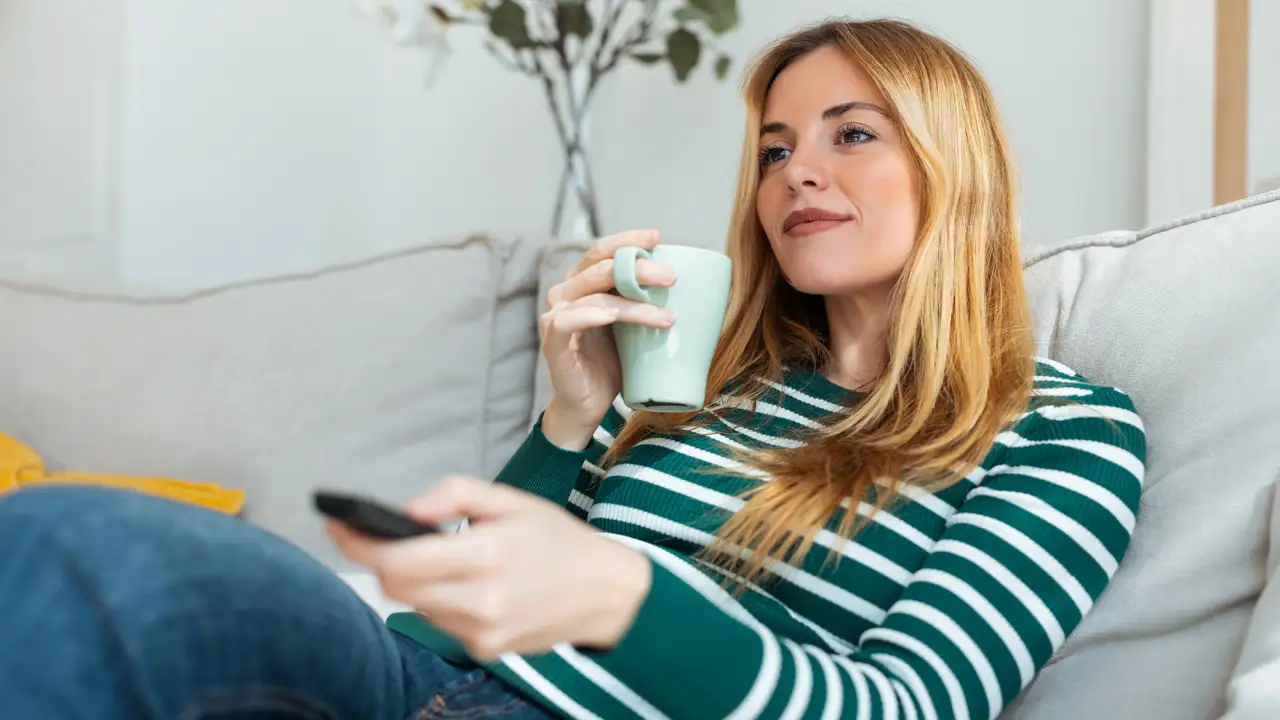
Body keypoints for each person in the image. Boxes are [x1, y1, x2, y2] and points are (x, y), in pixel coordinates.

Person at [0, 18, 1145, 720]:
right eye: (773, 149)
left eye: (851, 133)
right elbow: (445, 615)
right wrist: (569, 418)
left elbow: (907, 709)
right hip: (397, 683)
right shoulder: (693, 377)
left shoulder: (1065, 434)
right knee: (69, 537)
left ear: (954, 166)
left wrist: (617, 597)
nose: (797, 172)